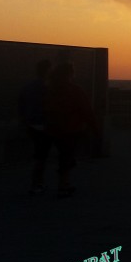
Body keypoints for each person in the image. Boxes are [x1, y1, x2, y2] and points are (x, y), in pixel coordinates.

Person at [44, 62, 100, 198]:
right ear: (70, 74)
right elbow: (86, 110)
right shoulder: (75, 90)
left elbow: (46, 108)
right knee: (67, 157)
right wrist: (95, 128)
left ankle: (63, 182)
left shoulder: (50, 90)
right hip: (71, 129)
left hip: (54, 129)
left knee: (65, 156)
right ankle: (63, 185)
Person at [19, 59, 52, 194]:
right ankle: (36, 184)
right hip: (43, 125)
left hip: (31, 124)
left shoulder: (28, 86)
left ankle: (38, 182)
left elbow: (21, 104)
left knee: (40, 155)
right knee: (41, 156)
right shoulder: (46, 87)